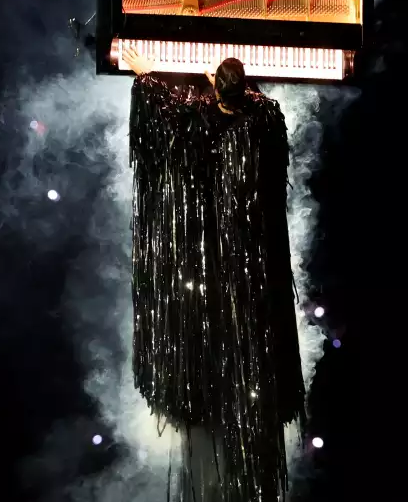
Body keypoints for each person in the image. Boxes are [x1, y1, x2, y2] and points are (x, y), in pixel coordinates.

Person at [122, 45, 305, 502]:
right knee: (247, 366)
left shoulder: (195, 122)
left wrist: (145, 74)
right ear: (243, 90)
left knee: (212, 365)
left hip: (205, 262)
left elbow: (164, 116)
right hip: (254, 271)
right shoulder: (262, 121)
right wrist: (219, 85)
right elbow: (258, 107)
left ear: (216, 91)